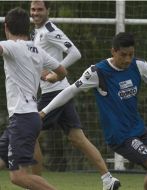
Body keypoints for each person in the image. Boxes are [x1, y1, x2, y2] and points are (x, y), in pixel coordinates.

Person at [39, 32, 147, 190]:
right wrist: (44, 112)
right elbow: (70, 91)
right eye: (123, 55)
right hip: (120, 136)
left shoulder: (139, 65)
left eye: (131, 55)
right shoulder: (97, 72)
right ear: (113, 51)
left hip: (139, 129)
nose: (127, 59)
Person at [30, 1, 120, 189]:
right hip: (59, 92)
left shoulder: (49, 30)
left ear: (48, 11)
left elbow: (75, 53)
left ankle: (35, 184)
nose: (36, 13)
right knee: (77, 138)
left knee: (28, 132)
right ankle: (108, 179)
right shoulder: (37, 31)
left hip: (55, 93)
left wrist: (56, 73)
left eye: (40, 9)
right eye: (33, 9)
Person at [0, 7, 67, 190]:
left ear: (6, 27)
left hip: (22, 118)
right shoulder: (37, 49)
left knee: (18, 177)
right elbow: (62, 71)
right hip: (27, 117)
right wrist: (51, 77)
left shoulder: (11, 46)